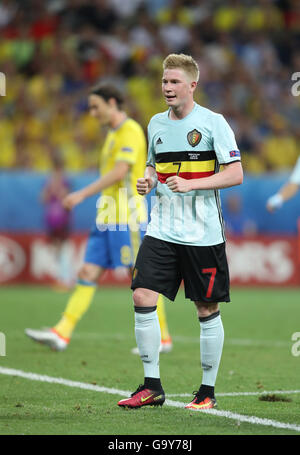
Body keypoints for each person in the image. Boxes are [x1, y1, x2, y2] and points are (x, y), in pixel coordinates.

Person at [117, 53, 243, 410]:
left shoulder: (213, 123)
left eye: (174, 82)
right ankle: (152, 386)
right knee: (142, 295)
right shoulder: (155, 124)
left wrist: (194, 184)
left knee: (205, 307)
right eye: (164, 81)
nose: (167, 88)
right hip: (162, 229)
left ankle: (207, 392)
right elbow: (154, 170)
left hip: (202, 233)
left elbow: (235, 174)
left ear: (192, 85)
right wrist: (149, 182)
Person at [25, 83, 172, 353]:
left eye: (96, 106)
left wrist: (80, 194)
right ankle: (62, 333)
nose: (92, 113)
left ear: (113, 102)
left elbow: (120, 172)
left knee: (140, 277)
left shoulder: (130, 131)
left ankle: (162, 338)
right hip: (107, 216)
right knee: (87, 272)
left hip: (126, 216)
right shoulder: (113, 135)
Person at [42, 153, 73, 289]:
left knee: (62, 248)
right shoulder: (50, 182)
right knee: (56, 249)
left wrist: (57, 190)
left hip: (62, 219)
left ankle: (66, 279)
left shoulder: (64, 181)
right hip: (52, 219)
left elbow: (66, 198)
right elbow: (43, 198)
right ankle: (62, 278)